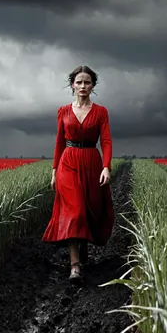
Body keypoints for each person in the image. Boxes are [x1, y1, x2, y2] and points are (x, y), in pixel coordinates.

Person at [42, 65, 114, 283]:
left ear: (93, 85)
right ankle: (74, 266)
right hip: (68, 163)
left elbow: (106, 141)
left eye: (87, 82)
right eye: (79, 82)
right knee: (75, 212)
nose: (83, 86)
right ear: (72, 84)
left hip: (92, 161)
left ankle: (82, 245)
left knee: (89, 210)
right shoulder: (62, 111)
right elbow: (59, 142)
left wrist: (106, 166)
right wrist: (54, 171)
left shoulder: (101, 112)